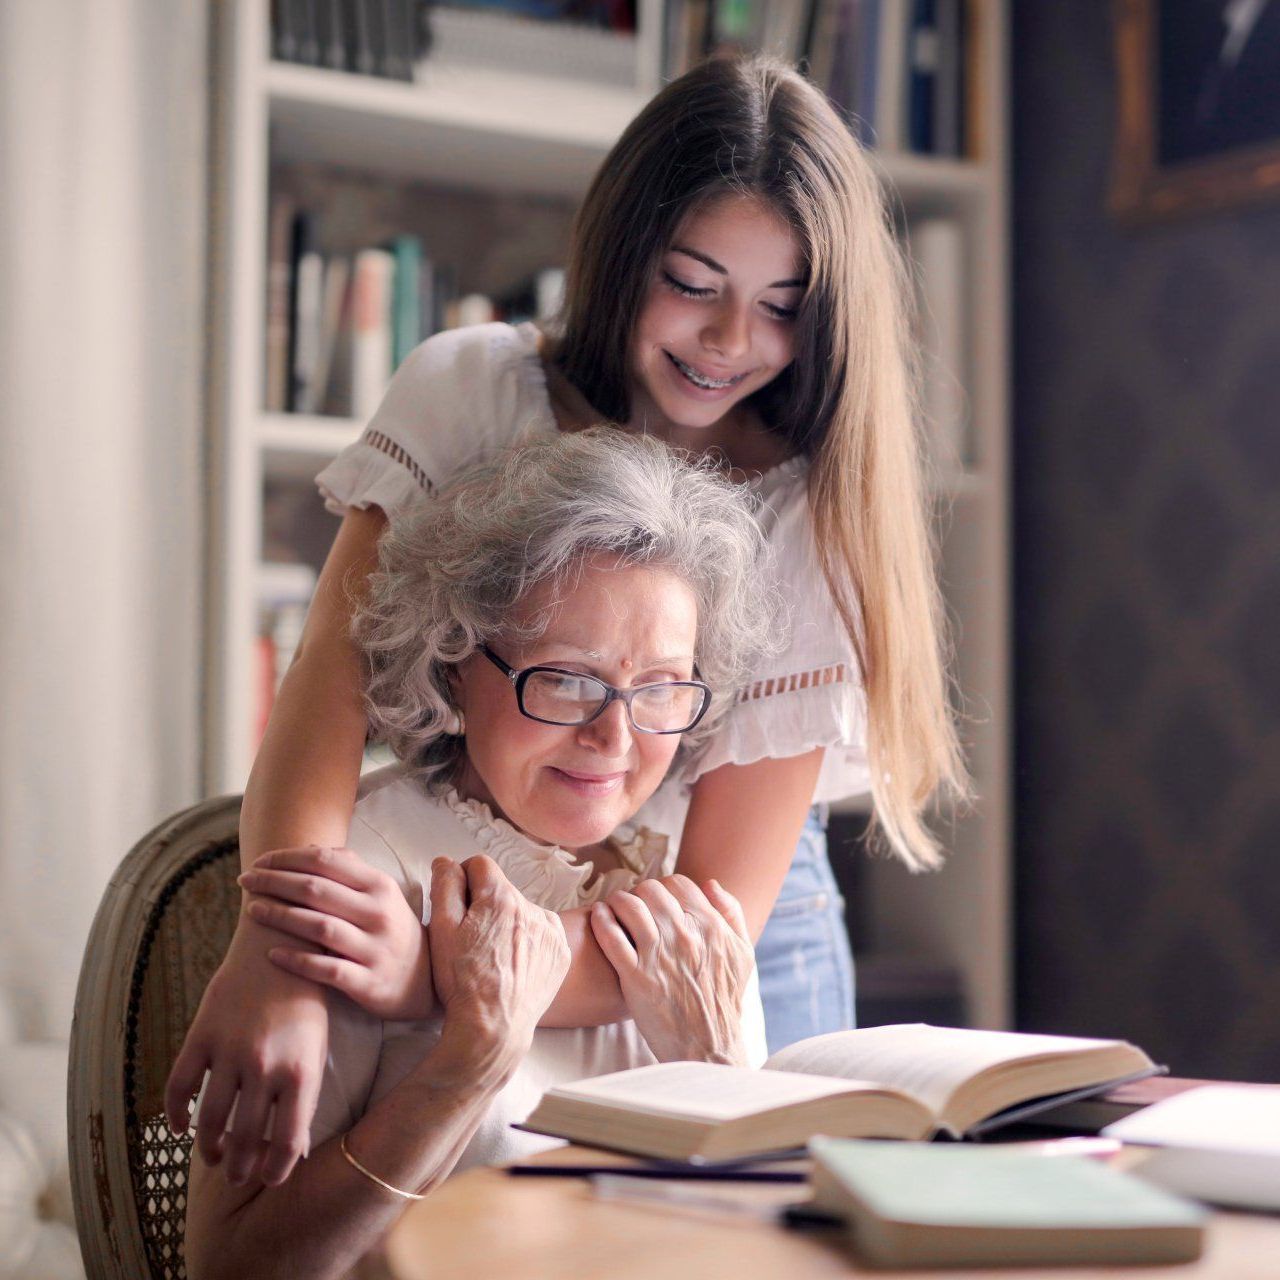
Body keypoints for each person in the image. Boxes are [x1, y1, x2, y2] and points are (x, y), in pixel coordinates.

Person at [167, 52, 966, 1189]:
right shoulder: (472, 391)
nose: (729, 340)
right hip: (474, 868)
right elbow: (322, 709)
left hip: (716, 932)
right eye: (692, 282)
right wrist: (278, 954)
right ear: (621, 252)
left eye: (781, 307)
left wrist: (426, 976)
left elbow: (716, 908)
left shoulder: (806, 507)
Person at [184, 430, 768, 1280]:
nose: (616, 736)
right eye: (568, 677)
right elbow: (233, 1267)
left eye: (661, 690)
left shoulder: (684, 906)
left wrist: (717, 1070)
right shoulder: (358, 877)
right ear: (455, 662)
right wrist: (465, 1069)